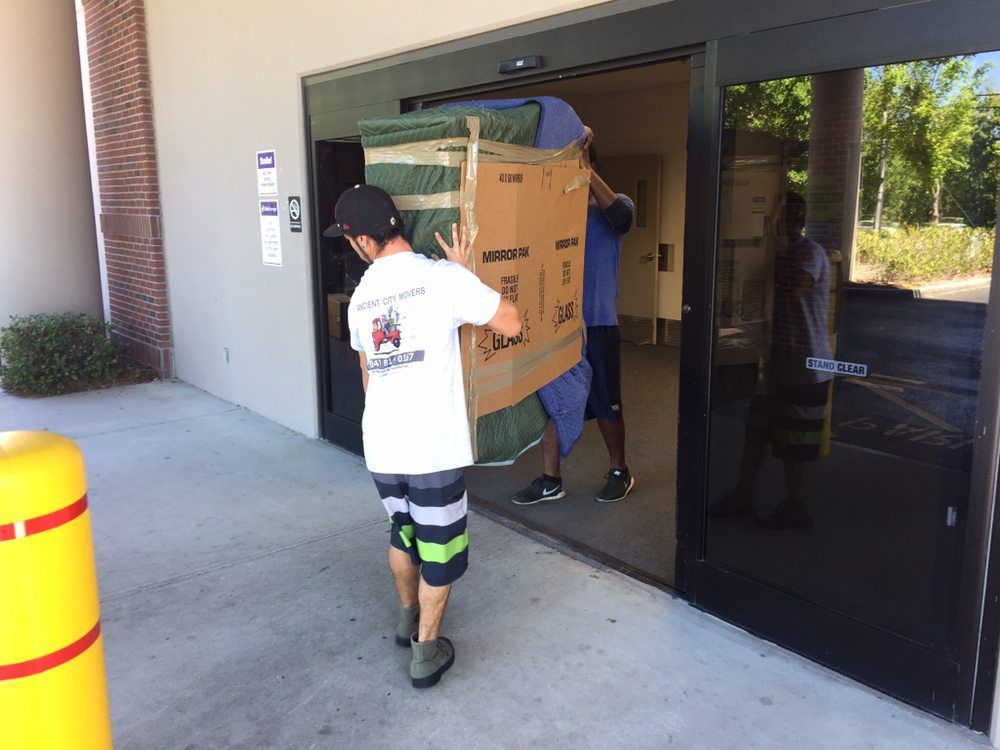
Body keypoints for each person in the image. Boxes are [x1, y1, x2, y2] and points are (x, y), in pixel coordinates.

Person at [324, 184, 522, 687]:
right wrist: (463, 273)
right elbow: (512, 323)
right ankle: (425, 653)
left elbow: (369, 376)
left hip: (383, 445)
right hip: (432, 446)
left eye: (348, 240)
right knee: (440, 547)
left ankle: (406, 619)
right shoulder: (442, 280)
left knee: (402, 532)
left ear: (363, 241)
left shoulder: (361, 298)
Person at [511, 128, 636, 505]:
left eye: (577, 166)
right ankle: (551, 479)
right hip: (556, 325)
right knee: (552, 401)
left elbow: (622, 219)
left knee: (606, 402)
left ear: (591, 165)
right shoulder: (553, 215)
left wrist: (584, 169)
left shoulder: (613, 206)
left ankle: (620, 471)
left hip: (597, 324)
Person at [708, 192, 835, 529]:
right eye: (779, 216)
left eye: (790, 216)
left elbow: (793, 286)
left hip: (805, 364)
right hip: (774, 362)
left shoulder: (810, 253)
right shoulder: (772, 252)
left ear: (799, 220)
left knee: (794, 441)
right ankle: (743, 494)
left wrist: (777, 245)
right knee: (757, 432)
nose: (785, 221)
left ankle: (798, 505)